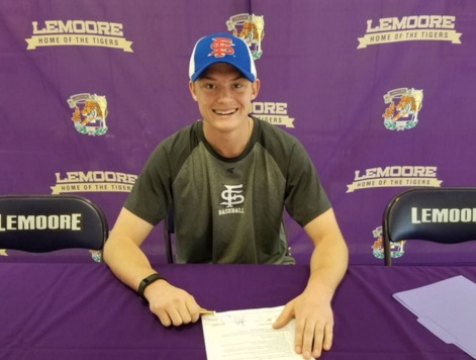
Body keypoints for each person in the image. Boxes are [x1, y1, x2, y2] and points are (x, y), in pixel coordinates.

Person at [104, 32, 349, 360]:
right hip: (197, 293)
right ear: (192, 90)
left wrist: (319, 294)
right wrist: (155, 286)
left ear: (254, 90)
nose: (224, 98)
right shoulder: (172, 154)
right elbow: (118, 242)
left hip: (273, 281)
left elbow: (330, 238)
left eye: (237, 85)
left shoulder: (284, 150)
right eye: (209, 85)